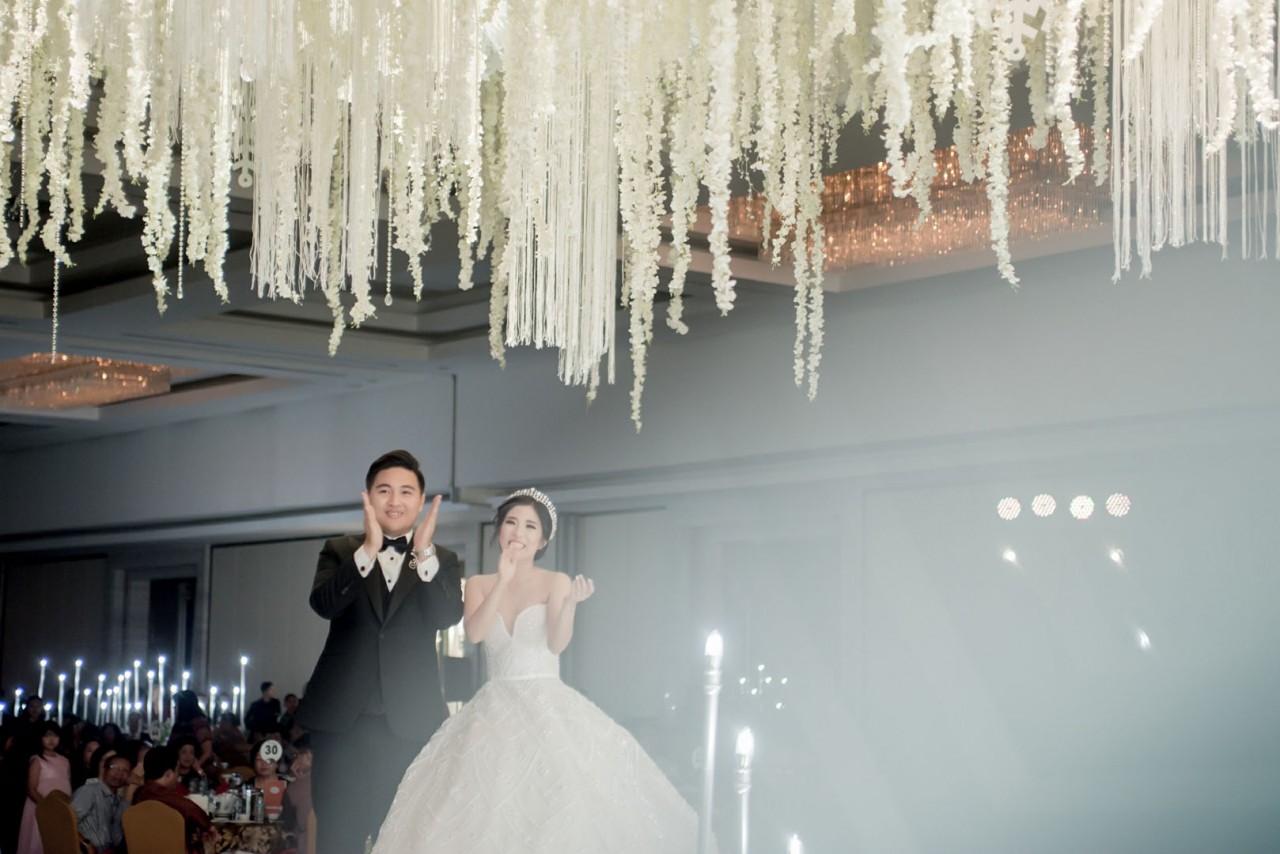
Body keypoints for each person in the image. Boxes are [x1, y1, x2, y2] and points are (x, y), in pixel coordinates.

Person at [372, 489, 704, 853]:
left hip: (547, 703)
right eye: (512, 522)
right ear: (499, 530)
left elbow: (557, 644)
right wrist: (502, 579)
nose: (519, 532)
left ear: (543, 540)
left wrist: (571, 604)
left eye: (530, 526)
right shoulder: (479, 584)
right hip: (493, 706)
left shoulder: (555, 581)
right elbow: (476, 634)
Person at [295, 449, 465, 854]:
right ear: (369, 497)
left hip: (409, 724)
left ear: (420, 502)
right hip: (342, 724)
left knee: (401, 838)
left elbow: (447, 616)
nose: (395, 500)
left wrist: (422, 555)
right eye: (384, 490)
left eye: (406, 492)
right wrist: (368, 551)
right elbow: (323, 604)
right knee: (338, 836)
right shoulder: (340, 550)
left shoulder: (440, 559)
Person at [133, 745, 213, 854]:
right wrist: (209, 826)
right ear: (168, 774)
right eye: (177, 771)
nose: (177, 776)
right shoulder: (161, 794)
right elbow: (189, 808)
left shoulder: (140, 792)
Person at [16, 720, 72, 854]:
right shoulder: (37, 761)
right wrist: (47, 807)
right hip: (40, 807)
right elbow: (31, 789)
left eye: (55, 736)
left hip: (60, 809)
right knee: (38, 840)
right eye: (47, 736)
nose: (51, 740)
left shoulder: (65, 761)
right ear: (40, 738)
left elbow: (68, 783)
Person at [71, 747, 129, 854]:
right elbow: (67, 822)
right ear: (105, 769)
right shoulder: (90, 791)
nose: (119, 773)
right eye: (114, 768)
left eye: (125, 770)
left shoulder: (120, 801)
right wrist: (85, 844)